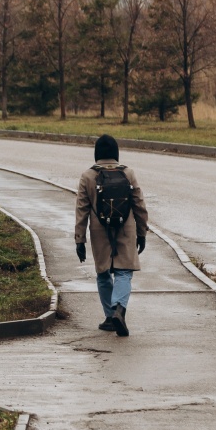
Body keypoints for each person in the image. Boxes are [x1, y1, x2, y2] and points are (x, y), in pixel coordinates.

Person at [74, 134, 149, 337]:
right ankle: (119, 310)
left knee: (104, 273)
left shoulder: (88, 176)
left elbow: (82, 210)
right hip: (126, 227)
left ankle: (109, 317)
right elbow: (139, 205)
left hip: (99, 230)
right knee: (124, 272)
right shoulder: (128, 173)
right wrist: (142, 232)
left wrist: (79, 240)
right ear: (116, 153)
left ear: (97, 154)